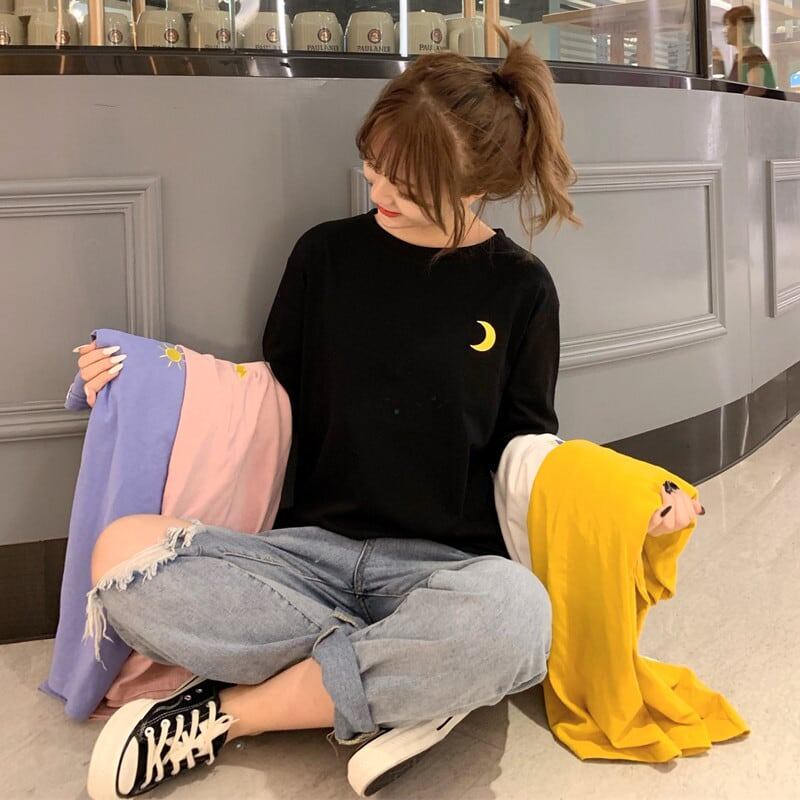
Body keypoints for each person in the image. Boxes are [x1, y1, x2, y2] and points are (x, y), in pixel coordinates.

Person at [73, 21, 702, 800]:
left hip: (447, 570)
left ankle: (235, 714)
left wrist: (635, 500)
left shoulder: (521, 289)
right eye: (375, 168)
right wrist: (140, 381)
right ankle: (403, 682)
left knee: (516, 620)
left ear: (475, 185)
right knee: (123, 557)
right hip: (304, 559)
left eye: (405, 184)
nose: (379, 194)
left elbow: (529, 446)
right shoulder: (324, 255)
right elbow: (264, 397)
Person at [723, 5, 777, 90]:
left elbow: (756, 90)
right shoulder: (739, 58)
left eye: (727, 25)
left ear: (740, 25)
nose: (724, 30)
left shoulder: (753, 55)